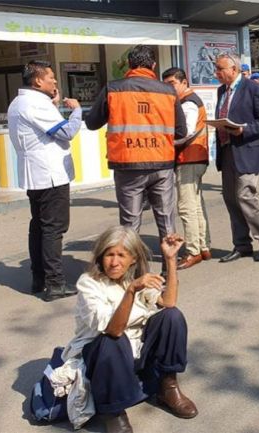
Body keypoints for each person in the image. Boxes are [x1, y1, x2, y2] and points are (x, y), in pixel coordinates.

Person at [51, 226, 197, 432]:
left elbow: (168, 301)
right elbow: (113, 329)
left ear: (133, 259)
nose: (114, 261)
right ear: (101, 257)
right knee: (113, 341)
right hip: (101, 357)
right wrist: (131, 290)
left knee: (171, 317)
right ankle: (113, 412)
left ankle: (168, 387)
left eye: (121, 255)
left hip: (133, 352)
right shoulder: (89, 284)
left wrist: (171, 259)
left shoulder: (135, 278)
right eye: (109, 254)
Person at [86, 45, 187, 270]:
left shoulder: (113, 89)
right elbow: (181, 131)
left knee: (130, 225)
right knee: (166, 221)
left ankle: (133, 274)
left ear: (129, 65)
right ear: (153, 65)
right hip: (161, 164)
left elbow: (92, 123)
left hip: (128, 164)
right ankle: (169, 272)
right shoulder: (168, 91)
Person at [8, 60, 81, 301]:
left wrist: (55, 105)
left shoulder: (20, 102)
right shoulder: (36, 104)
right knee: (53, 228)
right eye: (51, 77)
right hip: (49, 176)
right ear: (38, 80)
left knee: (39, 226)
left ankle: (39, 277)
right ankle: (55, 283)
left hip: (36, 175)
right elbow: (66, 132)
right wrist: (77, 110)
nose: (55, 81)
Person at [212, 53, 259, 263]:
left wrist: (244, 129)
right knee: (230, 198)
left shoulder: (253, 88)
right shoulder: (222, 90)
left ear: (233, 69)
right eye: (216, 69)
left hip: (248, 150)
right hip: (228, 150)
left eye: (220, 69)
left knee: (245, 195)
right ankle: (242, 245)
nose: (217, 73)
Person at [161, 67, 212, 271]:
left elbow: (186, 132)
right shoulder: (187, 101)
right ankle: (203, 245)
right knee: (196, 204)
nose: (170, 88)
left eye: (172, 83)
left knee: (186, 206)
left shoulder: (188, 103)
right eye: (166, 84)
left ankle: (193, 251)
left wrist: (166, 142)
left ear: (184, 82)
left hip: (189, 157)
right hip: (194, 157)